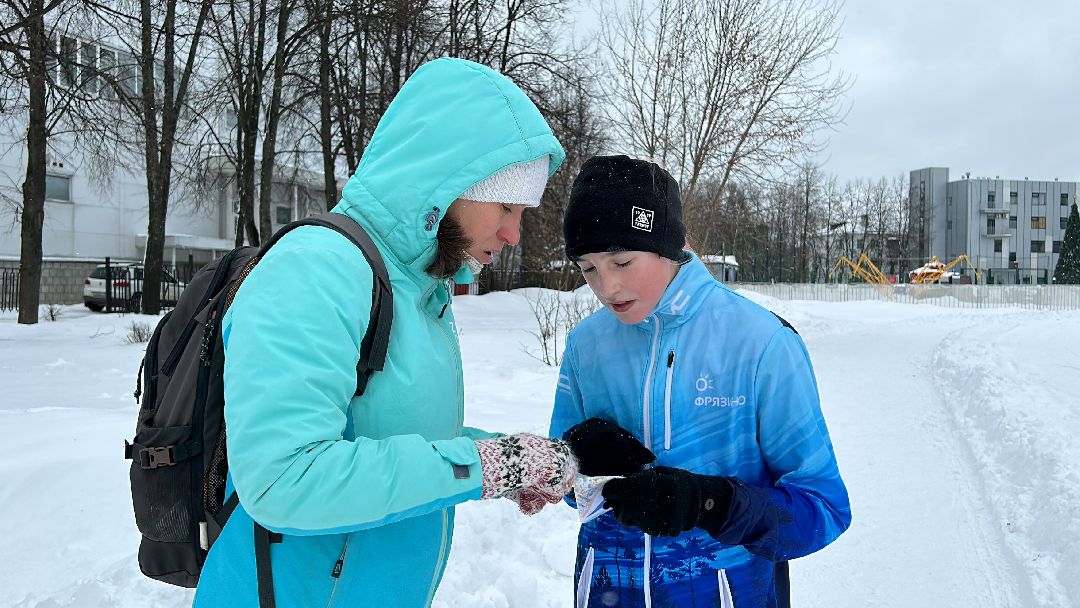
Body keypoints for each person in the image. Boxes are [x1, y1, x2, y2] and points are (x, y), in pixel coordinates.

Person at [193, 58, 577, 608]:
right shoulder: (316, 268)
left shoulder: (416, 290)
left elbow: (386, 432)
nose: (514, 233)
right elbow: (287, 478)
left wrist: (504, 456)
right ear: (450, 183)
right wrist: (483, 467)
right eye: (507, 206)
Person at [550, 155, 851, 607]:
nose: (606, 287)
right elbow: (565, 486)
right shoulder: (586, 345)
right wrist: (574, 454)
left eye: (622, 261)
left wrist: (713, 504)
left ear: (668, 248)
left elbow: (823, 508)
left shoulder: (761, 342)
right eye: (588, 268)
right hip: (608, 593)